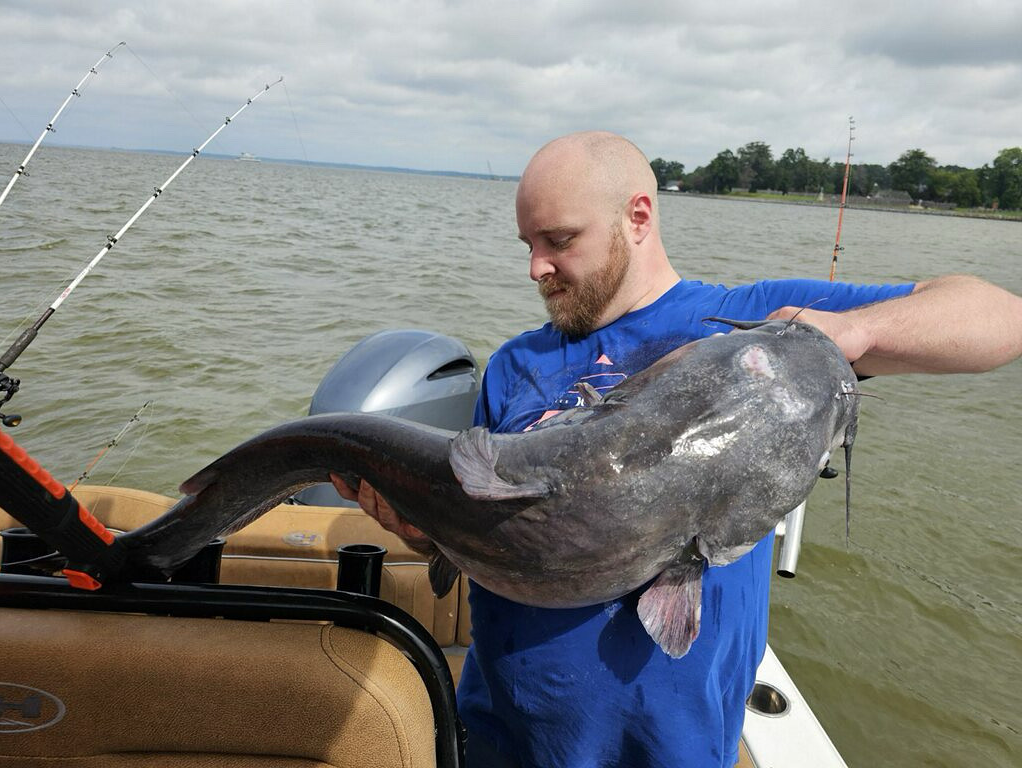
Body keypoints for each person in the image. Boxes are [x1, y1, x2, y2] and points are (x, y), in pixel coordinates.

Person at [333, 131, 1022, 767]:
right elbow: (478, 533)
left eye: (559, 239)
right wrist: (428, 533)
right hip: (499, 734)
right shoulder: (515, 364)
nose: (537, 267)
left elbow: (1000, 319)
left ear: (637, 218)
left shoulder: (754, 325)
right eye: (527, 245)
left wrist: (852, 335)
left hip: (666, 751)